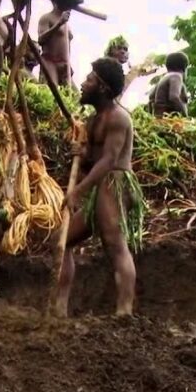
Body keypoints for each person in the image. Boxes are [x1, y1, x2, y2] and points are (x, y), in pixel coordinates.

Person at [53, 58, 142, 318]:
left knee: (115, 244)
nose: (82, 83)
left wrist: (78, 190)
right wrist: (80, 153)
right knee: (64, 239)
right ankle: (59, 308)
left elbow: (109, 160)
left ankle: (124, 312)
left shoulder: (119, 118)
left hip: (115, 182)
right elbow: (92, 162)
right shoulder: (92, 123)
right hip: (101, 185)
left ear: (102, 88)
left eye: (89, 80)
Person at [36, 0, 74, 87]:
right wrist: (58, 24)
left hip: (64, 64)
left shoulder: (67, 25)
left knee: (73, 95)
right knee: (51, 91)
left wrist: (68, 63)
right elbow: (41, 39)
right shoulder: (46, 18)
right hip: (50, 62)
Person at [148, 52, 189, 117]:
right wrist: (185, 115)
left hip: (159, 117)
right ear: (184, 68)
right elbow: (174, 97)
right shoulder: (177, 76)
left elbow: (151, 97)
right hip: (169, 118)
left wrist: (152, 117)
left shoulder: (164, 77)